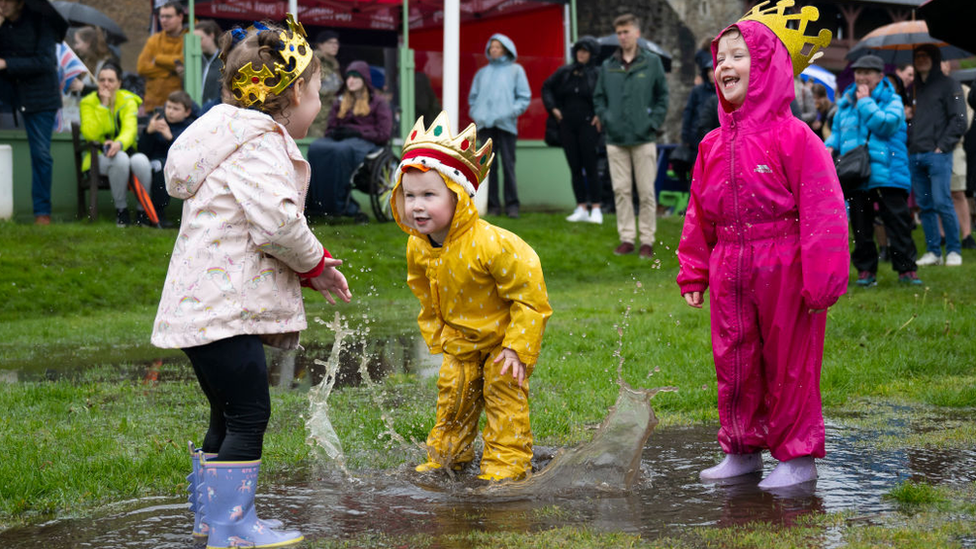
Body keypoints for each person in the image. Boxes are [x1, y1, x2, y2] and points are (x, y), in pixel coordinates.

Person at [151, 15, 351, 549]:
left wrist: (304, 266)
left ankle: (211, 520)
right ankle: (234, 528)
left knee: (226, 410)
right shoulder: (261, 142)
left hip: (201, 307)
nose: (319, 105)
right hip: (225, 308)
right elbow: (279, 223)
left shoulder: (221, 135)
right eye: (314, 93)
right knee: (250, 413)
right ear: (286, 99)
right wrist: (315, 263)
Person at [676, 9, 849, 489]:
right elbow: (699, 213)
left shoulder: (796, 138)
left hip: (786, 264)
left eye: (739, 55)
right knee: (734, 358)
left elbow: (824, 208)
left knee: (789, 362)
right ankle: (741, 447)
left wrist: (822, 276)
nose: (725, 65)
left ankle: (797, 457)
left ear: (769, 66)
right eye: (720, 58)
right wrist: (693, 270)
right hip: (730, 261)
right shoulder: (712, 144)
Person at [391, 112, 552, 482]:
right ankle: (447, 457)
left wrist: (518, 346)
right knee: (454, 399)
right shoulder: (418, 247)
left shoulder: (493, 244)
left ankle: (505, 466)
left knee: (504, 402)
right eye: (409, 195)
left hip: (502, 345)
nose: (417, 205)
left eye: (429, 195)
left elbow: (530, 297)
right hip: (461, 342)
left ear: (458, 196)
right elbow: (425, 292)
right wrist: (439, 334)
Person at [826, 54, 921, 286]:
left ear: (880, 76)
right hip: (856, 173)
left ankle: (906, 270)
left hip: (888, 172)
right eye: (859, 72)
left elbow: (887, 124)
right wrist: (828, 148)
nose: (862, 76)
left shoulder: (893, 99)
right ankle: (866, 271)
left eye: (868, 72)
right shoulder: (846, 102)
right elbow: (838, 132)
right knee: (861, 226)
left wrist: (866, 103)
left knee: (897, 223)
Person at [593, 13, 669, 258]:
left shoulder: (652, 63)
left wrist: (652, 122)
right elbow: (599, 98)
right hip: (615, 139)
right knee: (621, 191)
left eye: (627, 31)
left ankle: (647, 240)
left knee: (646, 192)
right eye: (620, 33)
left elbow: (662, 97)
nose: (623, 36)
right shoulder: (608, 66)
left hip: (644, 137)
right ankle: (627, 238)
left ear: (637, 33)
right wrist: (606, 118)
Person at [0, 0, 61, 224]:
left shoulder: (41, 22)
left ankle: (42, 213)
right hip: (7, 96)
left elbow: (46, 62)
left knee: (41, 155)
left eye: (6, 0)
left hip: (41, 99)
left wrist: (7, 63)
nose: (2, 4)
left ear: (19, 2)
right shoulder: (2, 25)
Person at [306, 60, 392, 219]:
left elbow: (383, 134)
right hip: (342, 141)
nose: (350, 81)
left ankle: (340, 206)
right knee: (316, 148)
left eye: (355, 77)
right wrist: (335, 133)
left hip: (368, 142)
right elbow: (330, 128)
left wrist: (358, 133)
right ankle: (315, 205)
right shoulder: (340, 101)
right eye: (348, 77)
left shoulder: (378, 103)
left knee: (341, 151)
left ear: (365, 80)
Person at [908, 44, 967, 267]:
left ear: (934, 58)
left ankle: (954, 250)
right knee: (925, 206)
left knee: (943, 202)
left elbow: (960, 119)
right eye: (917, 56)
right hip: (915, 154)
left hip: (938, 154)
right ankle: (934, 251)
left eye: (925, 55)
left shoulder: (949, 84)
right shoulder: (914, 88)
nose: (920, 59)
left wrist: (943, 146)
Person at [79, 62, 154, 227]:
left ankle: (143, 213)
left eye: (111, 80)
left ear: (119, 83)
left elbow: (130, 129)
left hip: (125, 151)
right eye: (102, 80)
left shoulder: (128, 100)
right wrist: (103, 106)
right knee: (120, 159)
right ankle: (122, 211)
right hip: (97, 156)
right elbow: (90, 133)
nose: (106, 84)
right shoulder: (88, 103)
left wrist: (119, 143)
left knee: (141, 161)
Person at [468, 33, 531, 218]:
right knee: (489, 167)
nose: (494, 50)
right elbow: (473, 98)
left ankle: (512, 206)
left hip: (507, 125)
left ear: (506, 49)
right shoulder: (482, 73)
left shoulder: (516, 70)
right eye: (492, 47)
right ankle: (493, 206)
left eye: (498, 47)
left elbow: (524, 97)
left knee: (508, 165)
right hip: (485, 126)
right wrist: (476, 113)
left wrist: (511, 112)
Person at [541, 35, 602, 224]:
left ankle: (597, 208)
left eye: (585, 51)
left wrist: (600, 114)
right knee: (574, 166)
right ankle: (581, 207)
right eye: (579, 50)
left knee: (591, 166)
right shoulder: (565, 72)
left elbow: (605, 95)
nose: (581, 54)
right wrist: (553, 109)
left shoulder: (597, 73)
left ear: (592, 54)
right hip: (567, 125)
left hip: (589, 125)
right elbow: (546, 87)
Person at [138, 90, 194, 227]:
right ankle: (154, 213)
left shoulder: (190, 128)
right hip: (154, 165)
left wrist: (170, 137)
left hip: (181, 167)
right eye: (168, 107)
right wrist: (148, 132)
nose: (170, 112)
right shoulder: (156, 124)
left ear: (187, 112)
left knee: (164, 166)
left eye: (176, 109)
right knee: (160, 166)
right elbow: (142, 151)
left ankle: (158, 213)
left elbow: (188, 153)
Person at [675, 58, 716, 193]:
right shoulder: (698, 91)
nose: (711, 73)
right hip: (697, 139)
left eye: (713, 69)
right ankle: (691, 204)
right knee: (696, 173)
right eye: (708, 71)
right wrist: (685, 137)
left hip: (716, 138)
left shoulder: (724, 91)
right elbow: (689, 112)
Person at [137, 1, 186, 111]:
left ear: (180, 17)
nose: (164, 20)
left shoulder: (188, 40)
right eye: (161, 16)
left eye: (168, 16)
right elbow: (142, 67)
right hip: (153, 106)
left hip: (177, 108)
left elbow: (184, 60)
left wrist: (158, 59)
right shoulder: (153, 40)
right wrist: (170, 72)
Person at [307, 29, 342, 138]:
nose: (334, 46)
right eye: (330, 43)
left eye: (336, 43)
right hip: (316, 116)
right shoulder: (313, 62)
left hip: (331, 114)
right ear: (320, 45)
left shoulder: (334, 65)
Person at [72, 26, 117, 92]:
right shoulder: (87, 60)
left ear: (87, 43)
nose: (75, 47)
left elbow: (108, 90)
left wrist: (84, 88)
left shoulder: (107, 64)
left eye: (77, 43)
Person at [193, 19, 223, 109]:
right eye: (194, 40)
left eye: (200, 39)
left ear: (211, 35)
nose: (197, 43)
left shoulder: (224, 60)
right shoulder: (195, 60)